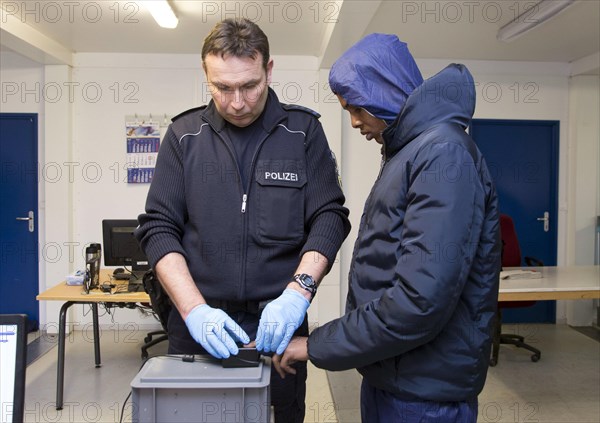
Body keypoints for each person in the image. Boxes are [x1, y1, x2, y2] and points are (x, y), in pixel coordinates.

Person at [273, 33, 501, 422]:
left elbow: (419, 301)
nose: (355, 121)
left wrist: (316, 345)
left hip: (425, 392)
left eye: (357, 108)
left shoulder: (442, 155)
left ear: (384, 92)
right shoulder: (409, 152)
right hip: (394, 374)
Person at [135, 18, 350, 422]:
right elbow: (158, 228)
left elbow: (330, 217)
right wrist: (193, 309)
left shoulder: (303, 132)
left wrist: (297, 294)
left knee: (280, 414)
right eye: (222, 87)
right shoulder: (183, 136)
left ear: (269, 70)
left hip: (278, 324)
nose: (237, 102)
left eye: (249, 86)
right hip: (199, 324)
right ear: (206, 75)